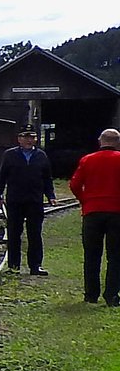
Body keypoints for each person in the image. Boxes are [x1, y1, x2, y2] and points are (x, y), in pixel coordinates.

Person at [0, 124, 56, 275]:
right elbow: (2, 177)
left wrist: (51, 196)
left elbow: (47, 178)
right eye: (25, 137)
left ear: (35, 139)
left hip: (34, 200)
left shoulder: (41, 156)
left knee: (35, 233)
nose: (29, 140)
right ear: (19, 139)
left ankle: (35, 266)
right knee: (14, 233)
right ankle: (14, 266)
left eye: (32, 137)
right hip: (15, 200)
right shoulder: (10, 155)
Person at [69, 128, 120, 306]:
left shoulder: (87, 160)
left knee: (91, 254)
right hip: (117, 212)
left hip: (92, 212)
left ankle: (91, 294)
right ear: (118, 142)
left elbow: (75, 184)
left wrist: (85, 200)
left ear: (100, 141)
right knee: (115, 255)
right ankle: (112, 295)